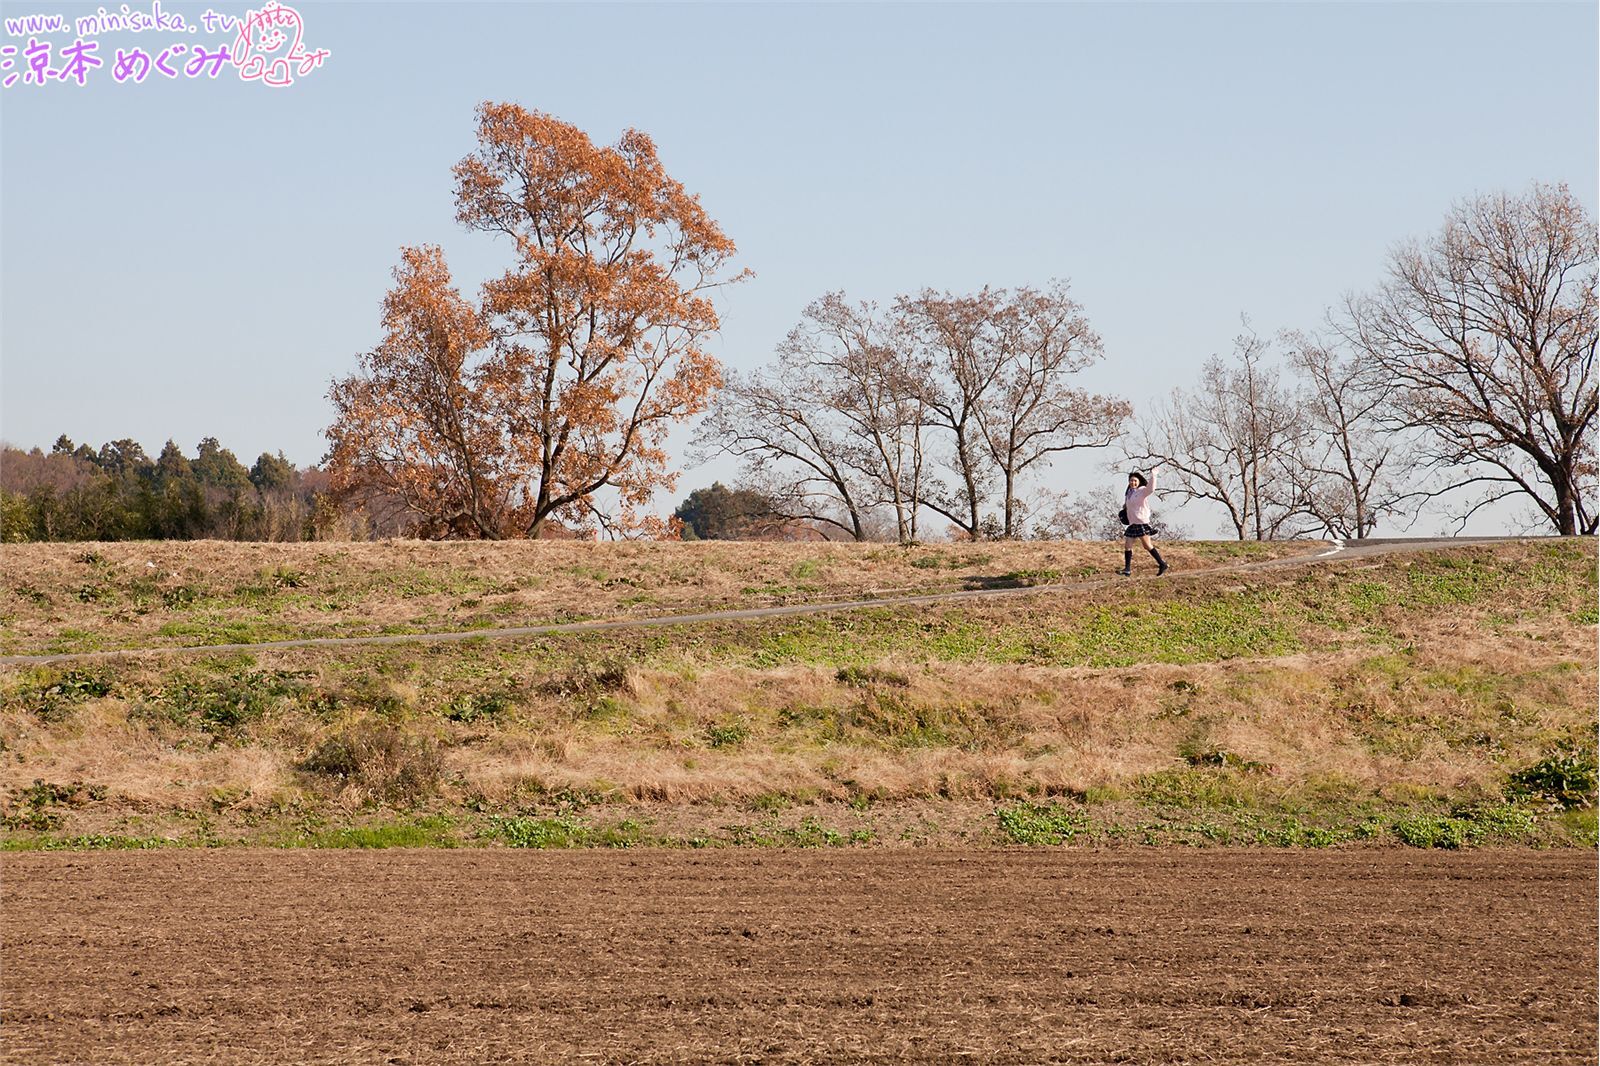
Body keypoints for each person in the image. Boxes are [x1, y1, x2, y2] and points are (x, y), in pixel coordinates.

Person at [1119, 465, 1168, 576]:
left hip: (1141, 522)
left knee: (1147, 545)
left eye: (1135, 481)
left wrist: (1153, 475)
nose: (1133, 483)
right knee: (1127, 545)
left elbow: (1151, 489)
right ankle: (1127, 569)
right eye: (1131, 481)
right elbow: (1128, 506)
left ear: (1139, 481)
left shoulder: (1141, 491)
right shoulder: (1129, 493)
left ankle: (1162, 563)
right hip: (1132, 523)